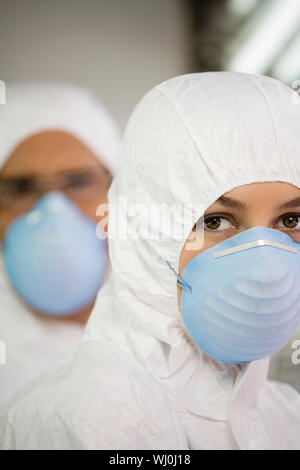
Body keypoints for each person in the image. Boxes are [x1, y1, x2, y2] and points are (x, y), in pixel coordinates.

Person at [1, 71, 300, 450]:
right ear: (148, 231)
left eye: (290, 220)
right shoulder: (86, 422)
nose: (265, 262)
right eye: (214, 220)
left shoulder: (283, 413)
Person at [0, 82, 121, 408]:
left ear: (120, 192)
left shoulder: (177, 342)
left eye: (79, 181)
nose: (53, 208)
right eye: (21, 187)